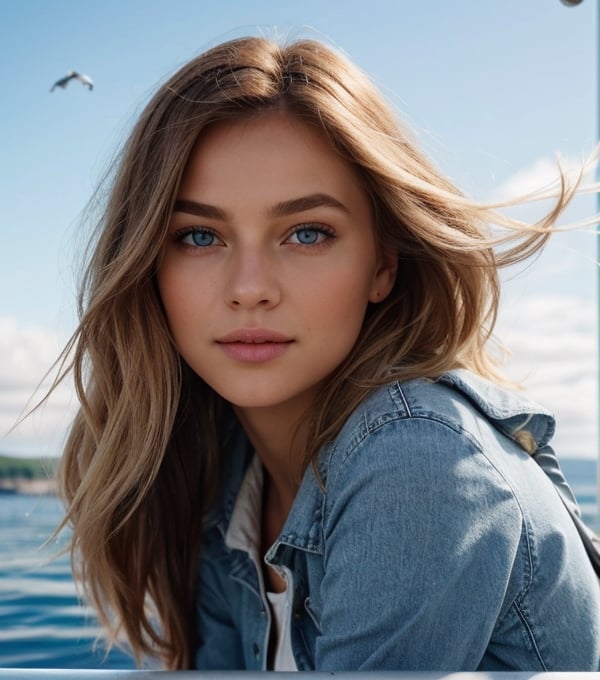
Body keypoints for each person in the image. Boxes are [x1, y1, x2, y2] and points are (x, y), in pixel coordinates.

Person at [46, 35, 600, 671]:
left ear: (382, 264)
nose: (249, 288)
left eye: (307, 233)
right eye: (200, 236)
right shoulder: (224, 474)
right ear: (148, 265)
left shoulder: (418, 457)